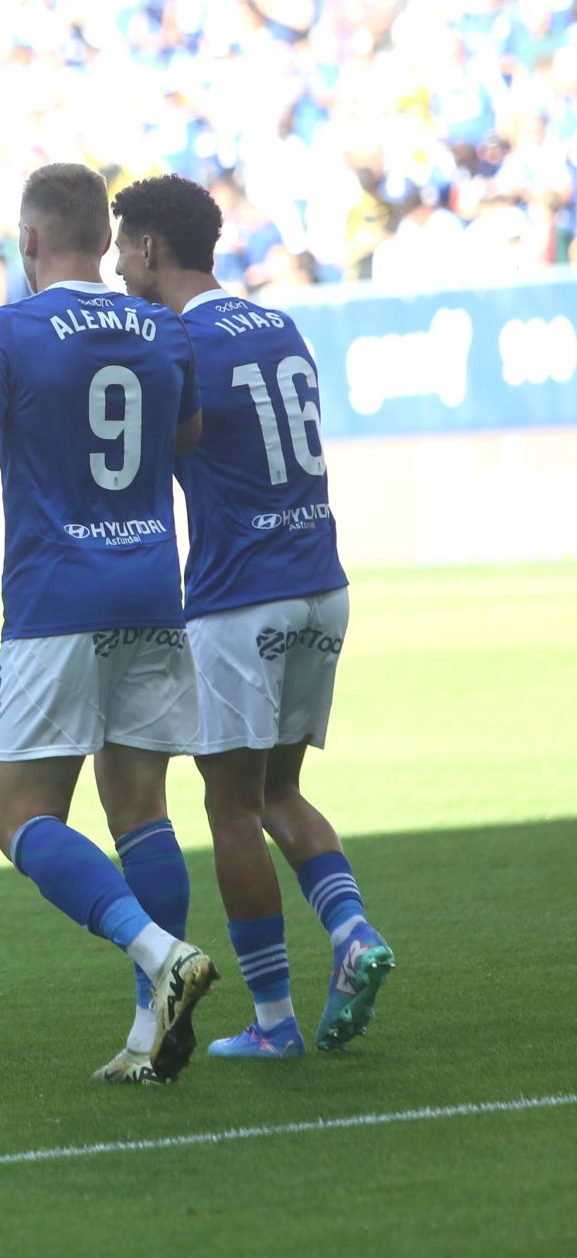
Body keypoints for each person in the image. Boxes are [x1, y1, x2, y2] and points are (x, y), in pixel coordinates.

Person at [0, 163, 218, 1086]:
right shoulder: (159, 327)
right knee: (141, 807)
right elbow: (183, 436)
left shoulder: (7, 333)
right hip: (153, 591)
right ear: (105, 243)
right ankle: (153, 1033)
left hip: (56, 603)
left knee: (19, 814)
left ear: (28, 240)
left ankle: (158, 952)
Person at [112, 173, 393, 1059]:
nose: (118, 266)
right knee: (279, 790)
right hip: (321, 581)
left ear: (151, 249)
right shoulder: (280, 324)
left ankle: (272, 1023)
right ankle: (350, 931)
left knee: (230, 807)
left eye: (124, 248)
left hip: (240, 597)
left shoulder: (175, 340)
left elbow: (144, 451)